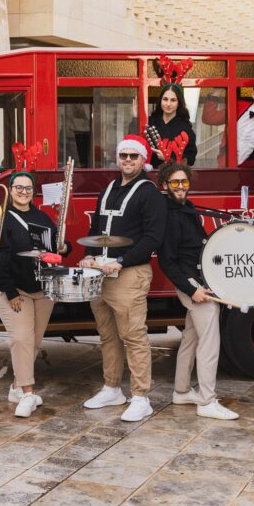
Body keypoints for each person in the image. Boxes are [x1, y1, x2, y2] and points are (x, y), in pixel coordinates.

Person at [78, 134, 166, 421]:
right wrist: (90, 254)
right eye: (123, 155)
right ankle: (112, 388)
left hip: (129, 273)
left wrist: (122, 261)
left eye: (134, 156)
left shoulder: (149, 192)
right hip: (100, 272)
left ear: (143, 160)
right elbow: (97, 227)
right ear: (118, 158)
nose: (128, 160)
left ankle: (141, 397)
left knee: (134, 335)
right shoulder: (109, 188)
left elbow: (153, 237)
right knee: (107, 335)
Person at [156, 161, 239, 420]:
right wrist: (192, 291)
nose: (180, 187)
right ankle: (207, 401)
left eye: (184, 182)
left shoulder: (186, 208)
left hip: (198, 279)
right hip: (191, 283)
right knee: (210, 342)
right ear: (165, 185)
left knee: (191, 337)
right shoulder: (169, 215)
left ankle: (181, 391)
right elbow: (166, 261)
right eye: (175, 183)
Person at [0, 171, 64, 418]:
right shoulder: (2, 218)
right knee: (21, 339)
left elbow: (55, 245)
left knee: (32, 343)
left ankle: (16, 387)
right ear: (10, 190)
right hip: (14, 290)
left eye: (28, 189)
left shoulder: (42, 217)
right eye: (19, 188)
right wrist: (10, 292)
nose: (23, 192)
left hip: (42, 290)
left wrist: (64, 246)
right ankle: (27, 393)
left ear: (33, 192)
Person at [147, 84, 197, 168]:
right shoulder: (150, 121)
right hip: (150, 173)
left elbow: (191, 159)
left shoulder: (186, 128)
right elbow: (135, 143)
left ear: (179, 103)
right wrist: (135, 118)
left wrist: (168, 157)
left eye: (173, 100)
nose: (168, 104)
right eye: (165, 99)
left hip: (174, 176)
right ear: (160, 101)